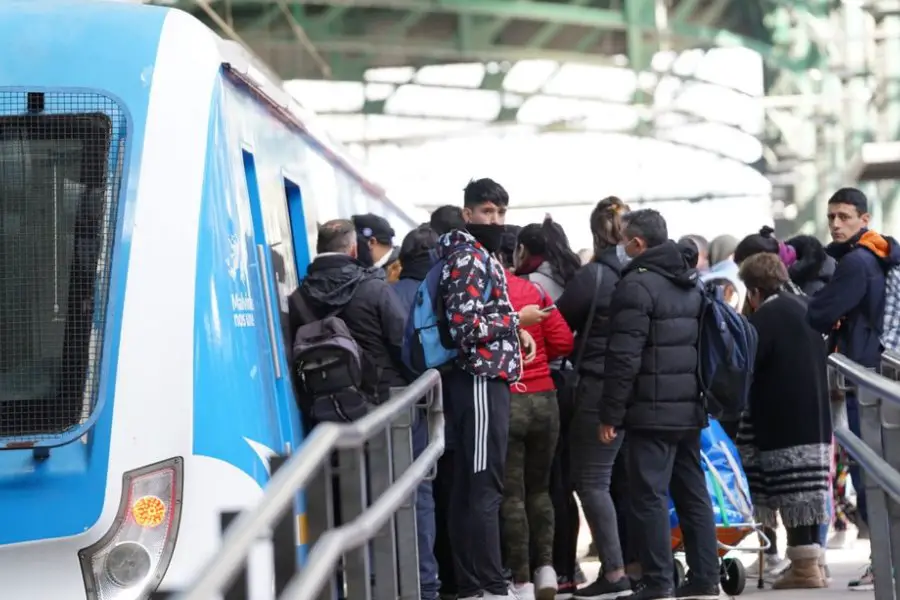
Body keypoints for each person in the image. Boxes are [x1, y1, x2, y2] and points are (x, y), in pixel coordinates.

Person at [599, 209, 719, 600]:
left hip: (650, 412)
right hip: (688, 408)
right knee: (692, 492)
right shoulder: (690, 280)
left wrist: (610, 413)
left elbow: (623, 358)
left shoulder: (636, 285)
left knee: (648, 496)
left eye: (624, 240)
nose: (620, 247)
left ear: (637, 244)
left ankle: (658, 581)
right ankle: (704, 576)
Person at [437, 178, 544, 600]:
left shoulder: (476, 254)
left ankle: (475, 583)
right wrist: (519, 321)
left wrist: (514, 334)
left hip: (481, 379)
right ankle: (488, 585)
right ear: (467, 213)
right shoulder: (468, 257)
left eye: (500, 212)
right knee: (483, 486)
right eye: (486, 211)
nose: (495, 219)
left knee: (473, 485)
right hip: (479, 380)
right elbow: (466, 327)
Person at [807, 187, 900, 590]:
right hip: (882, 377)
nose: (835, 224)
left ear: (864, 219)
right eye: (831, 217)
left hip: (864, 381)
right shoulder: (879, 256)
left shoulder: (857, 264)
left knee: (871, 478)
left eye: (844, 217)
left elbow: (819, 312)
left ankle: (887, 563)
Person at [736, 253, 832, 589]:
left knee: (790, 490)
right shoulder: (803, 305)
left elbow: (747, 366)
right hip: (815, 415)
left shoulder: (768, 316)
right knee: (807, 494)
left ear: (754, 290)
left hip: (782, 416)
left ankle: (804, 570)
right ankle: (814, 564)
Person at [558, 197, 636, 598]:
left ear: (595, 234)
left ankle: (615, 573)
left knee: (591, 481)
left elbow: (558, 324)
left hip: (600, 386)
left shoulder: (594, 277)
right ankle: (639, 564)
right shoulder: (644, 274)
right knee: (631, 480)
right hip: (642, 390)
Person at [499, 231, 575, 599]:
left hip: (508, 399)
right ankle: (547, 569)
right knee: (541, 489)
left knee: (511, 495)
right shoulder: (535, 292)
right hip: (545, 398)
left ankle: (521, 581)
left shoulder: (482, 296)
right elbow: (563, 341)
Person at [288, 219, 408, 419]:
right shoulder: (374, 287)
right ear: (353, 250)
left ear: (318, 248)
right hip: (384, 403)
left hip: (329, 409)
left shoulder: (298, 298)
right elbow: (402, 343)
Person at [392, 225, 442, 600]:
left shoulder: (389, 292)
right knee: (424, 493)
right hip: (427, 407)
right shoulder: (439, 293)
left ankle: (403, 578)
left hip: (391, 408)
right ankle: (427, 581)